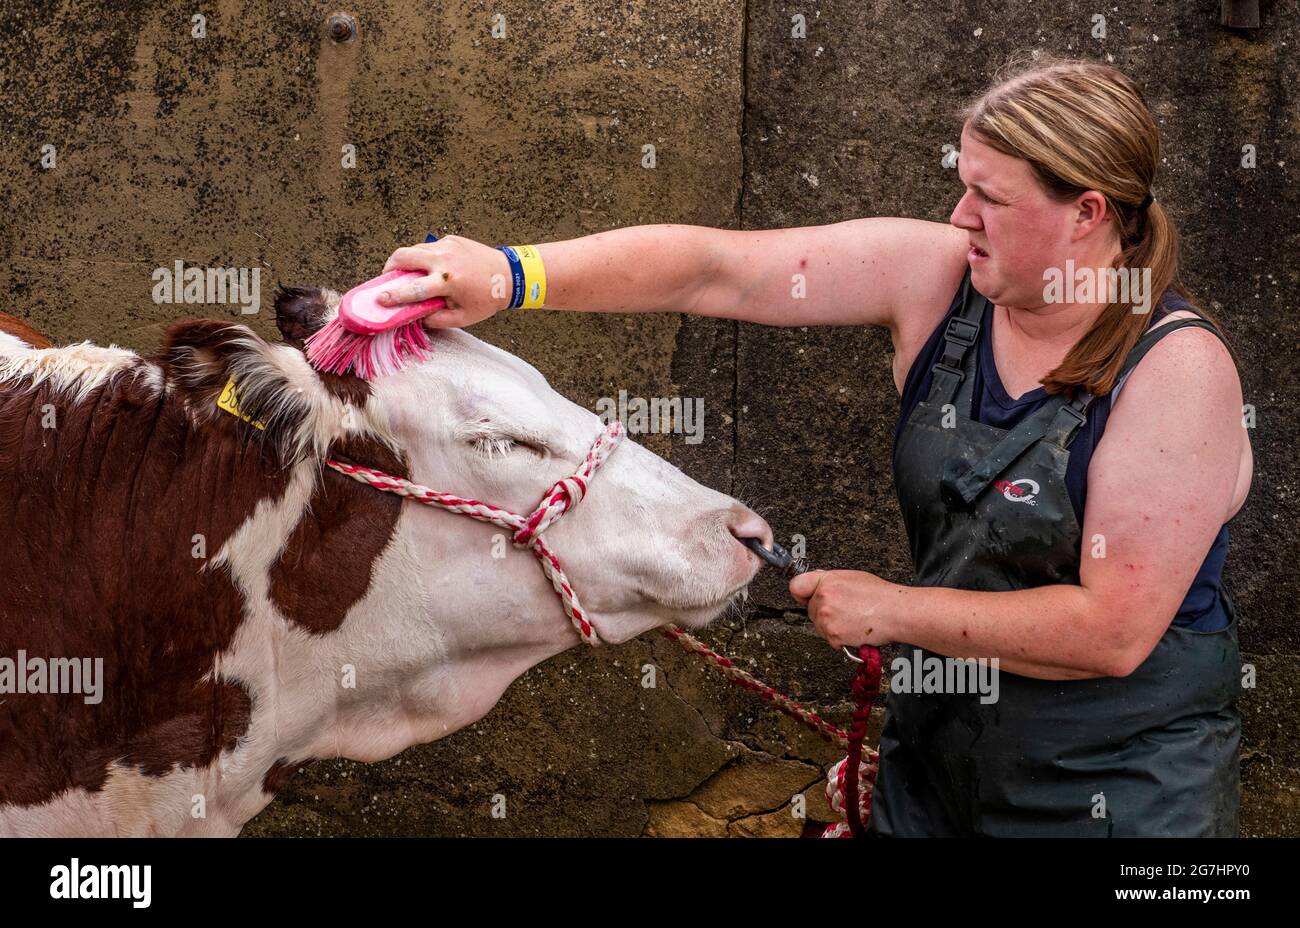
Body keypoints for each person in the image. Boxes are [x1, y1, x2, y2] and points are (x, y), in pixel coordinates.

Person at [373, 54, 1251, 836]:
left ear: (1086, 212)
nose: (960, 214)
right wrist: (512, 274)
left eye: (991, 197)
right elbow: (718, 268)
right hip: (936, 754)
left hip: (1122, 789)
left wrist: (893, 612)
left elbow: (1113, 632)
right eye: (962, 183)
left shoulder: (1177, 375)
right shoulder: (941, 279)